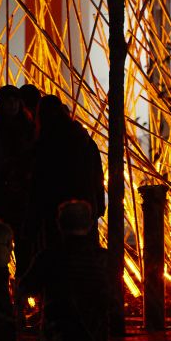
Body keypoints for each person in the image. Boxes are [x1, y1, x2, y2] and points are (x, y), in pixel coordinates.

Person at [19, 200, 111, 341]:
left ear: (59, 224)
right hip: (95, 338)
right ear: (90, 224)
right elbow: (112, 299)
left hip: (59, 336)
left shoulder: (48, 257)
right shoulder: (104, 258)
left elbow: (25, 288)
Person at [27, 96, 104, 258]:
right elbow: (97, 174)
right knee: (86, 251)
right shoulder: (83, 139)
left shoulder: (45, 143)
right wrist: (98, 204)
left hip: (56, 208)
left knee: (59, 254)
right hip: (85, 204)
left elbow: (39, 180)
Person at [0, 85, 36, 274]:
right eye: (8, 101)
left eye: (15, 101)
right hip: (2, 195)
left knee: (24, 244)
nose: (12, 105)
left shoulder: (29, 128)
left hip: (24, 195)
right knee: (0, 245)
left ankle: (22, 282)